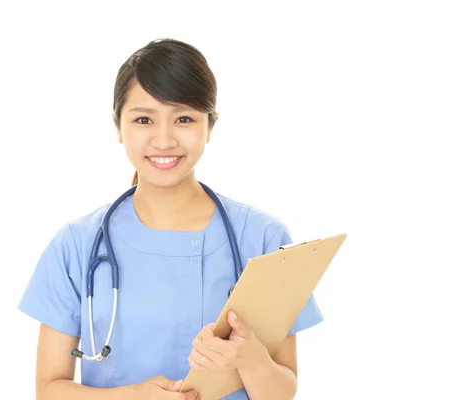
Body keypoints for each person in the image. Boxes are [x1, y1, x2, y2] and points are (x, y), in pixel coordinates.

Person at [18, 38, 324, 400]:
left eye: (184, 119)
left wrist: (251, 359)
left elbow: (281, 392)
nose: (163, 140)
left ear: (210, 125)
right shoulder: (76, 244)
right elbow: (50, 390)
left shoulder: (263, 238)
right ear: (118, 126)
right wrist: (134, 397)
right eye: (144, 119)